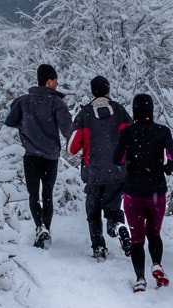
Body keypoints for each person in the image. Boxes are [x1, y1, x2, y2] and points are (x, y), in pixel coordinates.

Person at [113, 93, 173, 293]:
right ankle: (157, 264)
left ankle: (140, 279)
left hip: (133, 191)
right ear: (151, 110)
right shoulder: (162, 132)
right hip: (156, 191)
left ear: (134, 111)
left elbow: (118, 159)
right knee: (154, 233)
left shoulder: (127, 133)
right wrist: (165, 169)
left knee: (136, 238)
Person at [4, 64, 73, 249]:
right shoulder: (57, 103)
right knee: (47, 193)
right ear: (49, 82)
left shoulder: (22, 101)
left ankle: (39, 227)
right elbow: (69, 130)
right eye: (56, 82)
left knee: (33, 194)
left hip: (31, 155)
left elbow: (8, 120)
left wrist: (25, 127)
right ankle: (46, 230)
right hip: (51, 156)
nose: (57, 86)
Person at [69, 75, 133, 261]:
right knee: (113, 209)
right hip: (118, 172)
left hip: (94, 173)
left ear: (92, 91)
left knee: (93, 211)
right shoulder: (120, 111)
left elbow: (71, 147)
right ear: (108, 90)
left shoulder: (85, 114)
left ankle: (98, 247)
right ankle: (119, 228)